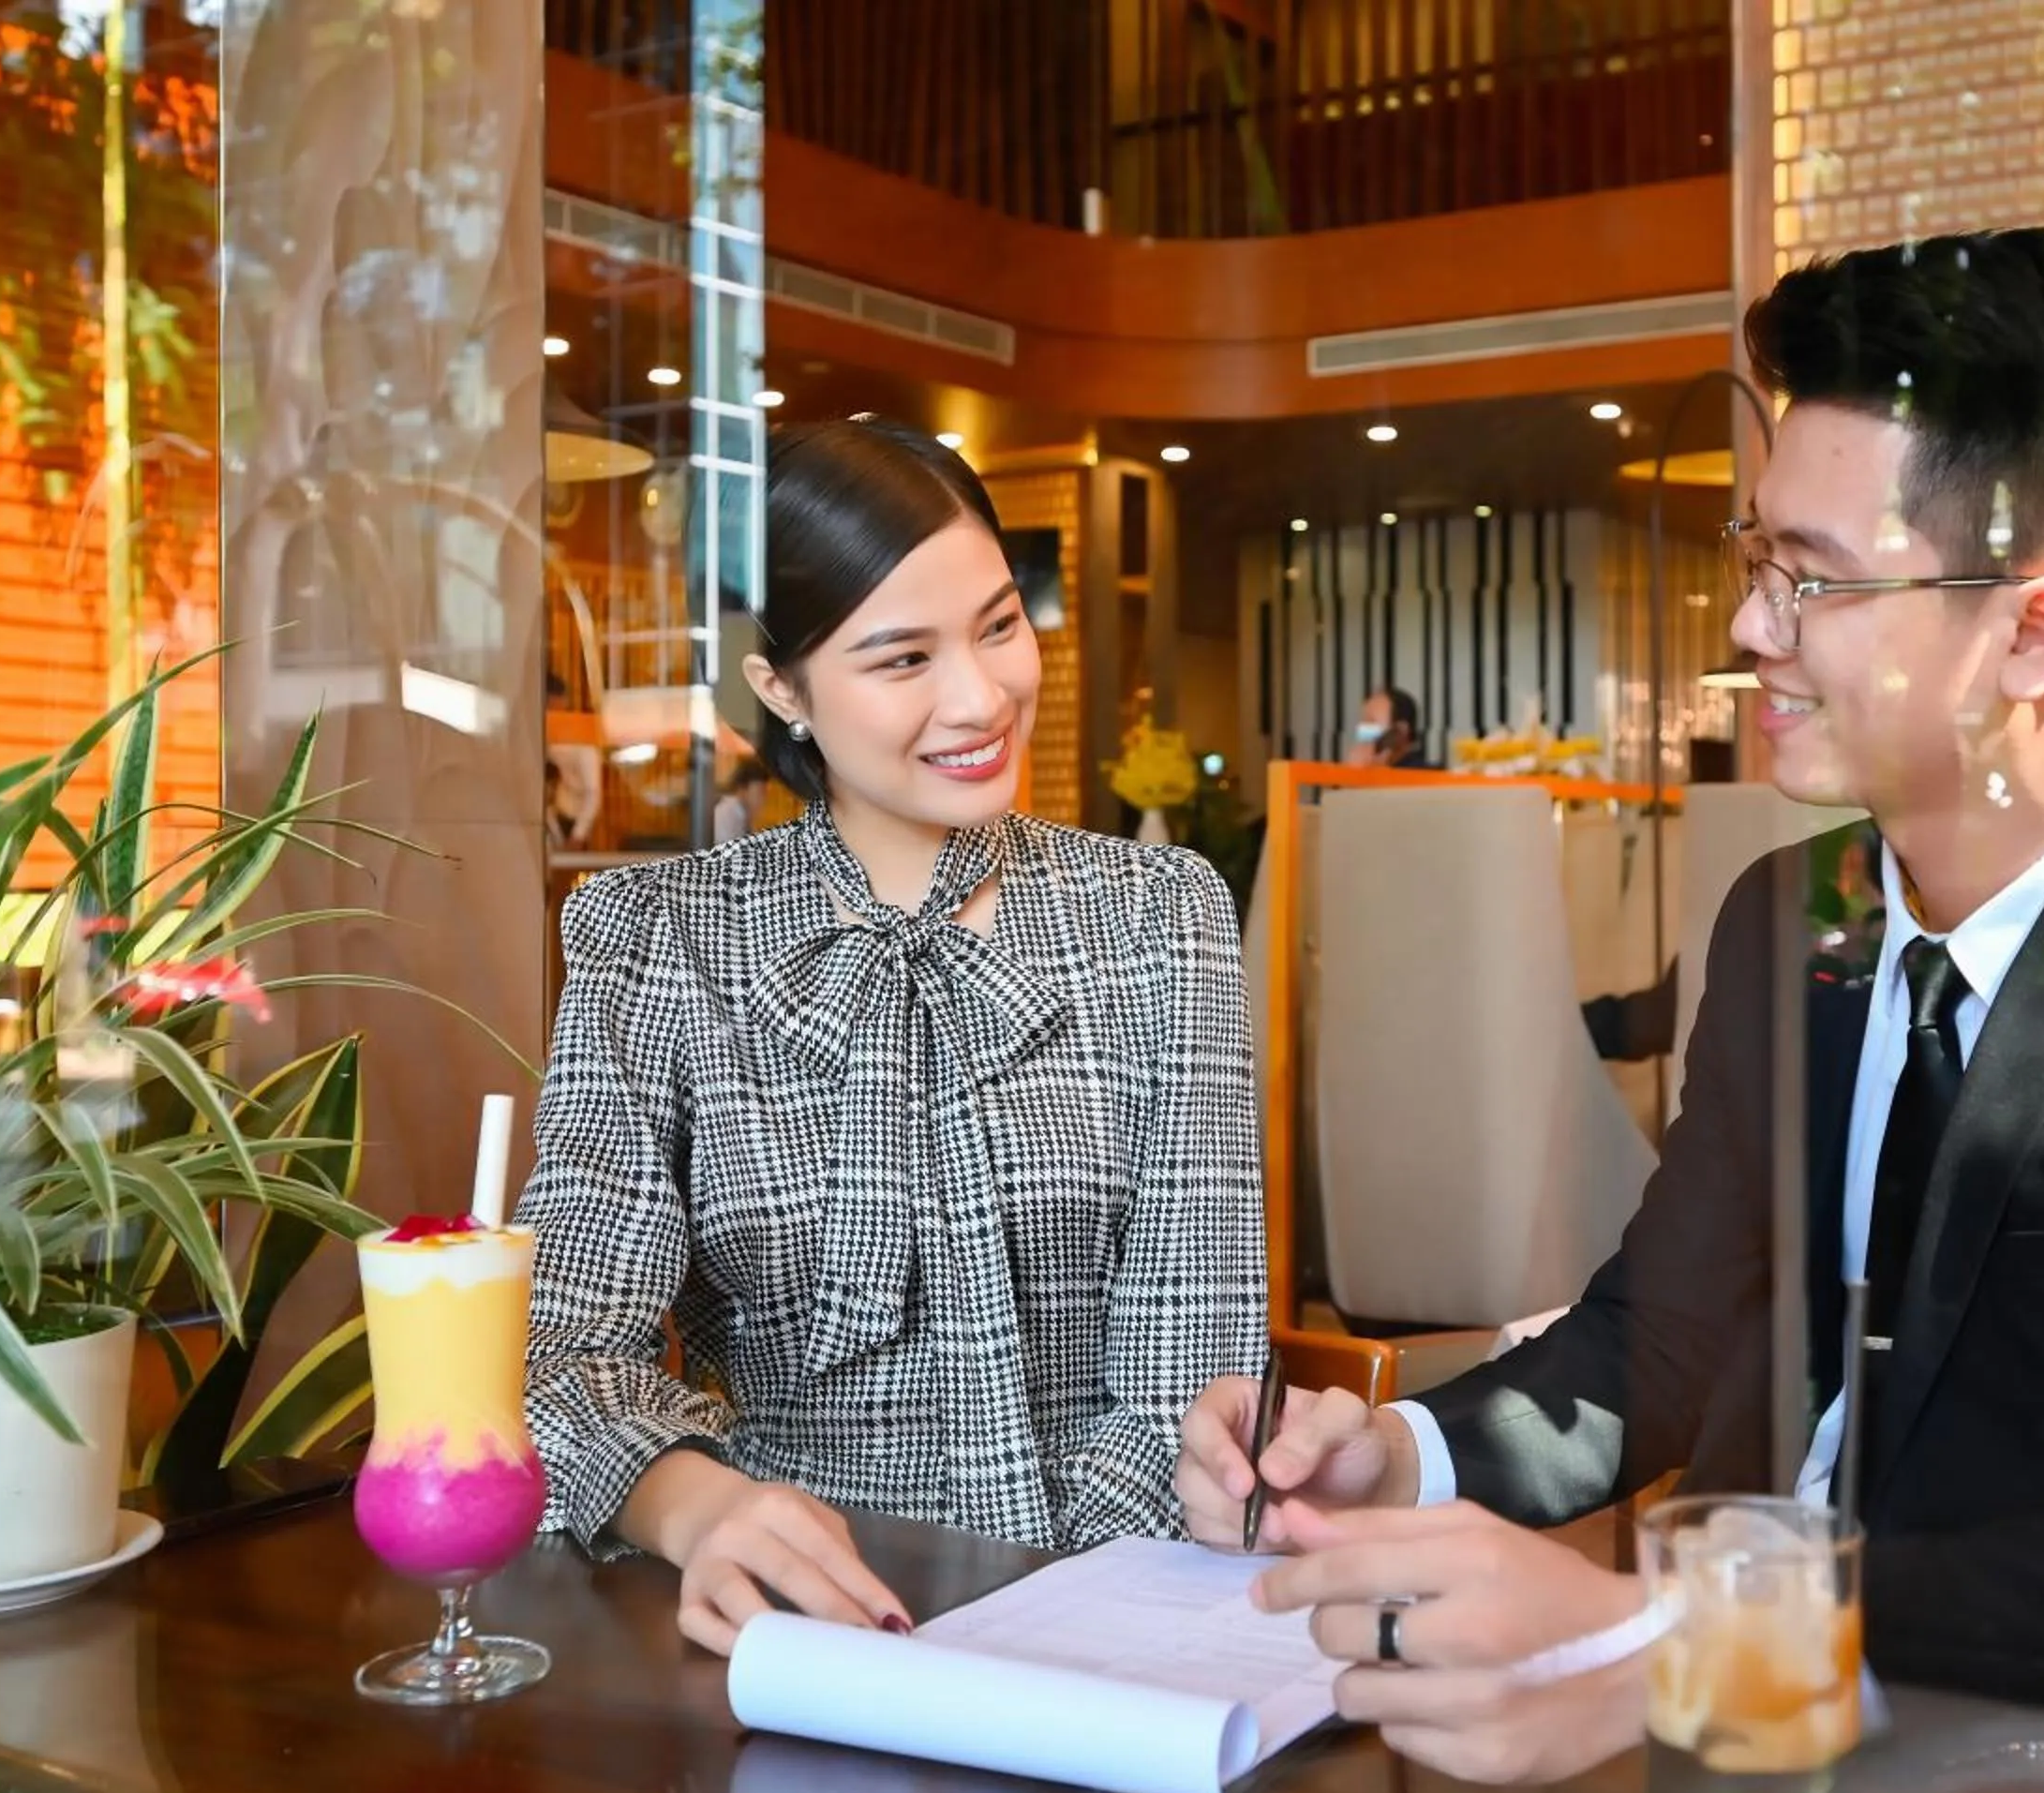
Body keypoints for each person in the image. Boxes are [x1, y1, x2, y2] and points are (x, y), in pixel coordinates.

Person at [1176, 228, 2044, 1782]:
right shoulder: (1786, 923)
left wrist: (1650, 1653)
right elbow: (1664, 1343)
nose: (1749, 633)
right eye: (1758, 563)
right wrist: (1393, 1455)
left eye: (1815, 580)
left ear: (2031, 634)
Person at [524, 417, 1267, 1656]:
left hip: (1117, 1624)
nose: (980, 698)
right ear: (782, 690)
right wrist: (701, 1509)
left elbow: (1192, 1377)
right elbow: (555, 1356)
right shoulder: (660, 939)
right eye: (901, 657)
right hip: (789, 1630)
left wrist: (1040, 1634)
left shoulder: (1155, 916)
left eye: (997, 626)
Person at [1346, 685, 1438, 769]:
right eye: (1363, 723)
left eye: (1371, 723)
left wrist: (1369, 775)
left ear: (1400, 731)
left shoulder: (1428, 775)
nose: (1362, 731)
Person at [710, 752, 770, 847]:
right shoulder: (726, 813)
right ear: (742, 790)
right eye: (760, 792)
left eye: (765, 793)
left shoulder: (743, 814)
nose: (763, 799)